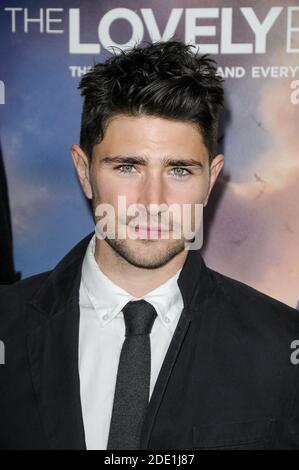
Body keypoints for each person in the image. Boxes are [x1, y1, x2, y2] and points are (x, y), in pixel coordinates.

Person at [0, 40, 299, 450]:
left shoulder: (282, 346)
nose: (152, 202)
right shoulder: (7, 326)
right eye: (127, 167)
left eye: (179, 170)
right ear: (84, 172)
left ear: (210, 180)